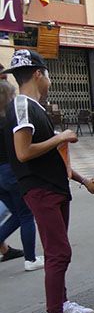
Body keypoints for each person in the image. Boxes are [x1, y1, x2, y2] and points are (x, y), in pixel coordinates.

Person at [5, 49, 94, 313]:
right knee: (59, 252)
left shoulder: (34, 106)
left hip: (54, 187)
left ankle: (61, 304)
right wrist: (60, 137)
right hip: (40, 189)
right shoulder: (22, 105)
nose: (49, 80)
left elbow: (52, 158)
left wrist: (84, 181)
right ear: (39, 74)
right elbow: (23, 153)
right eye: (47, 74)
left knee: (56, 252)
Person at [0, 79, 43, 271]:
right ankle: (31, 259)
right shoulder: (10, 121)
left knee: (17, 214)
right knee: (26, 214)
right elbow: (23, 149)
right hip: (10, 171)